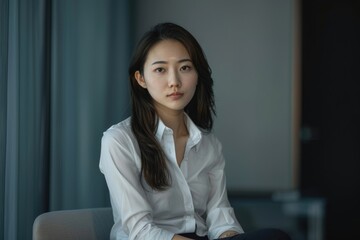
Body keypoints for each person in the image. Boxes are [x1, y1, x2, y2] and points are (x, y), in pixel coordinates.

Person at [99, 22, 290, 240]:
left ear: (197, 75)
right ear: (141, 79)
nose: (174, 82)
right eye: (160, 69)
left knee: (275, 237)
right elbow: (140, 230)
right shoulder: (119, 140)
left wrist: (229, 235)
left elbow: (220, 216)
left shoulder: (208, 143)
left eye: (185, 68)